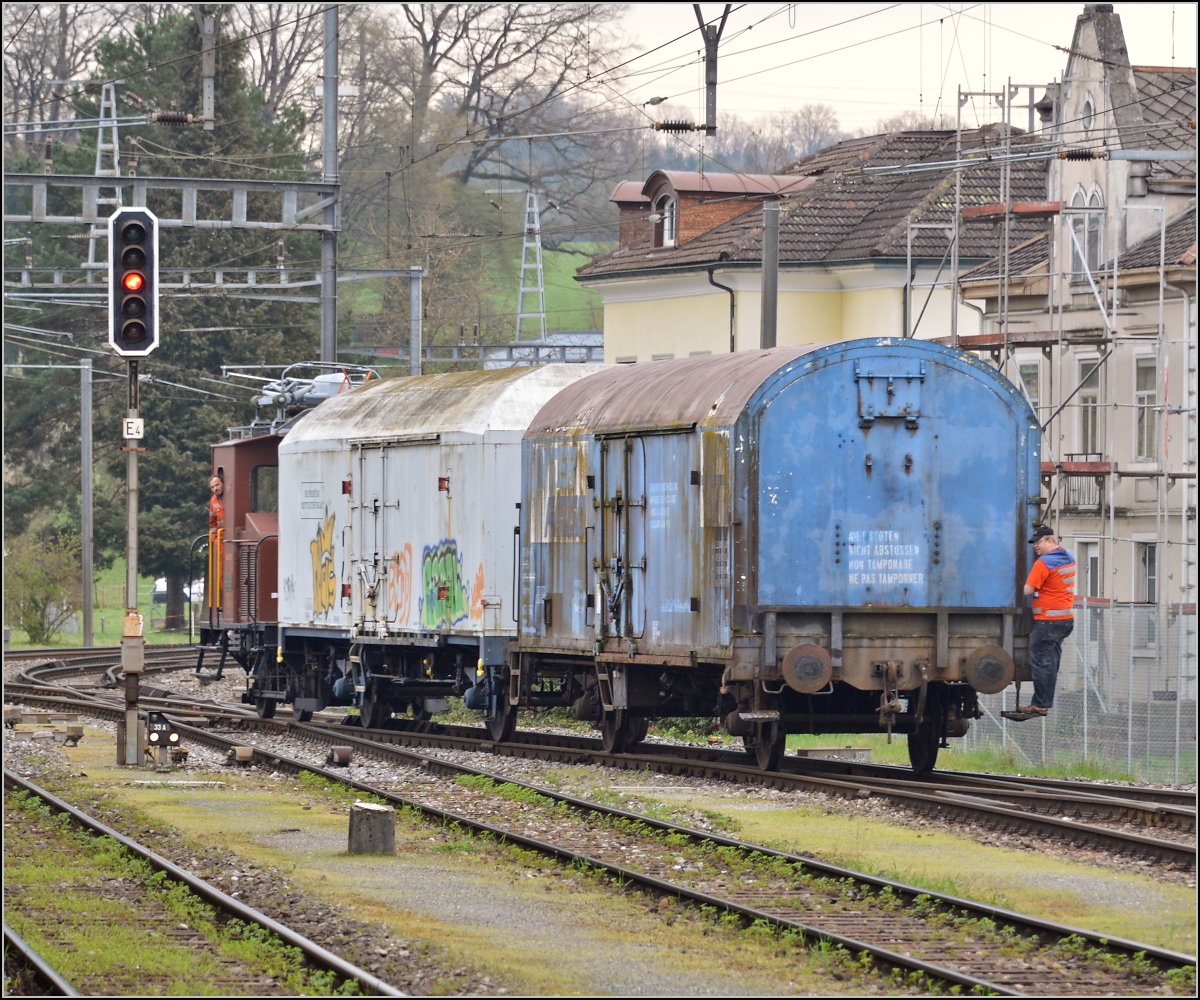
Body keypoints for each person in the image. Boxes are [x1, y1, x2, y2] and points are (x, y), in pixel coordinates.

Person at [1020, 525, 1076, 715]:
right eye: (1033, 543)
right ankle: (1045, 702)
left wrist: (1037, 589)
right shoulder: (1069, 556)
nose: (1035, 546)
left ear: (1049, 541)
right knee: (1051, 663)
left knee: (1041, 662)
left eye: (1038, 542)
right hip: (1065, 619)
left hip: (1047, 622)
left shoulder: (1042, 563)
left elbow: (1027, 590)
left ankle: (1040, 704)